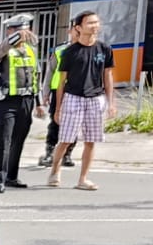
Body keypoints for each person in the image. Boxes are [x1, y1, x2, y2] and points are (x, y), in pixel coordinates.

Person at [49, 10, 115, 190]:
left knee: (91, 140)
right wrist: (58, 108)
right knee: (66, 139)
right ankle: (55, 169)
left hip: (96, 98)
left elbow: (108, 76)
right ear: (78, 28)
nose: (94, 26)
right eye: (90, 23)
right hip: (73, 97)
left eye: (96, 22)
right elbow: (62, 82)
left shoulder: (104, 49)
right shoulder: (70, 52)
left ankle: (83, 178)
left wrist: (111, 102)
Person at [0, 13, 41, 192]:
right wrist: (16, 37)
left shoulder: (31, 50)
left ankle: (12, 176)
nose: (23, 35)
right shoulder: (2, 49)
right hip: (6, 102)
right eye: (18, 30)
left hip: (26, 100)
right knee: (4, 140)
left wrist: (39, 102)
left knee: (19, 140)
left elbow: (36, 75)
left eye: (25, 30)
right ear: (9, 31)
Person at [36, 21, 79, 169]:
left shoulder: (88, 50)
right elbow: (50, 72)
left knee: (73, 124)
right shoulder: (60, 50)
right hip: (58, 92)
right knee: (55, 122)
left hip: (78, 92)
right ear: (70, 30)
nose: (78, 32)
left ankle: (67, 154)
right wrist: (46, 93)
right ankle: (49, 153)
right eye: (75, 28)